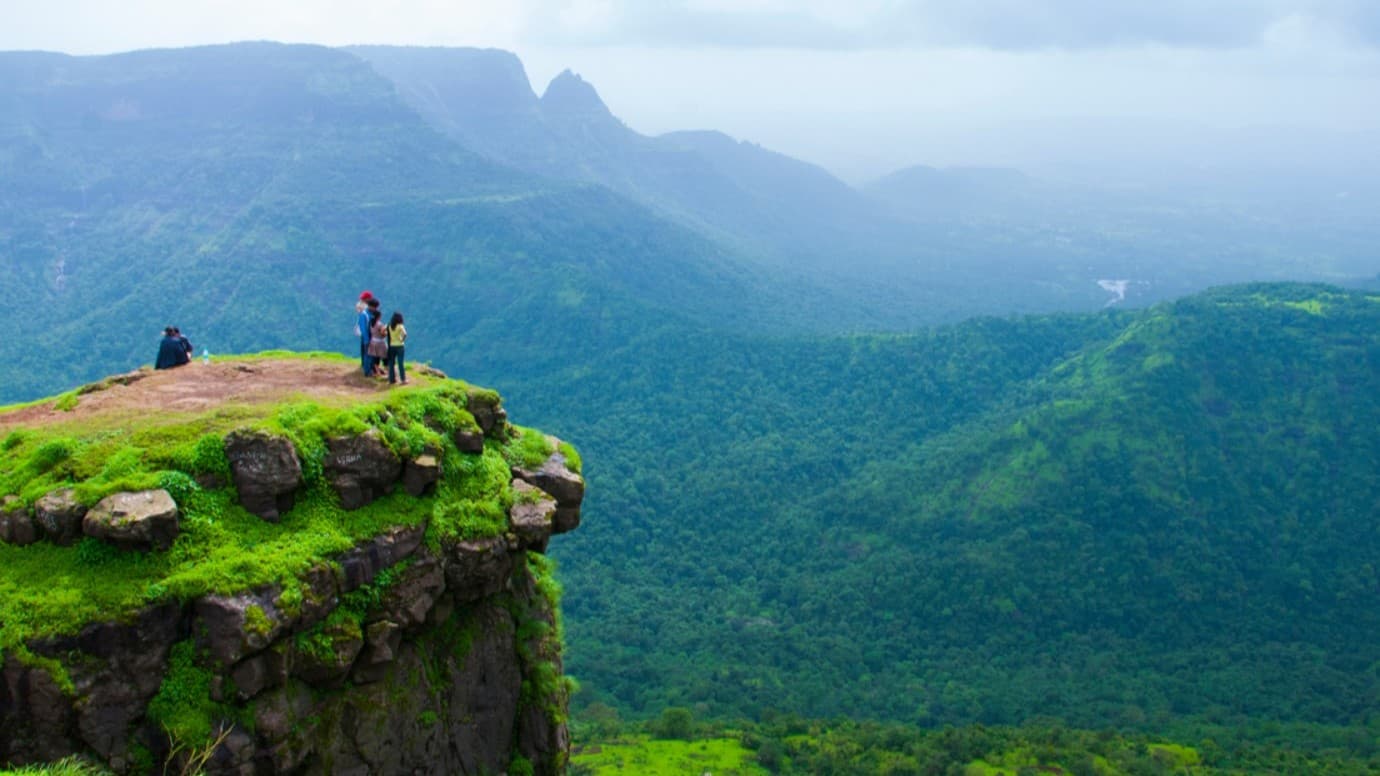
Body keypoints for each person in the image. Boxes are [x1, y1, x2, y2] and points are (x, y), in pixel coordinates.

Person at [367, 299, 388, 376]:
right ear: (379, 316)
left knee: (376, 358)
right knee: (385, 358)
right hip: (380, 343)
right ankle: (389, 372)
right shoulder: (379, 324)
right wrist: (386, 330)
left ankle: (378, 372)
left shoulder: (371, 323)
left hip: (373, 342)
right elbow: (383, 334)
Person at [355, 291, 375, 377]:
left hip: (363, 332)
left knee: (363, 348)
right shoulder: (366, 309)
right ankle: (368, 368)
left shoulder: (361, 306)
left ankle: (364, 364)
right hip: (366, 332)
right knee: (368, 351)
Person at [386, 311, 408, 385]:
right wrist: (402, 339)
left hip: (392, 346)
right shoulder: (400, 326)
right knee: (400, 363)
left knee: (391, 363)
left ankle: (391, 380)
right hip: (400, 346)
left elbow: (383, 331)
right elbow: (405, 334)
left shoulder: (389, 326)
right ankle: (403, 379)